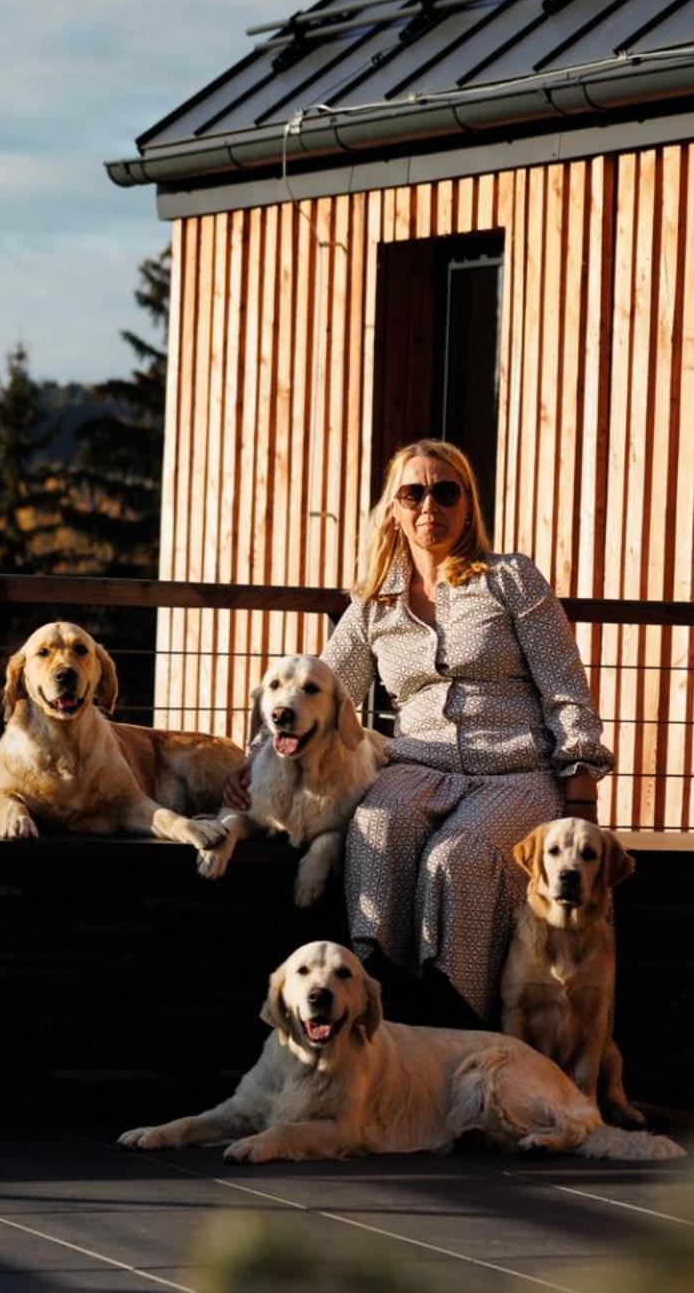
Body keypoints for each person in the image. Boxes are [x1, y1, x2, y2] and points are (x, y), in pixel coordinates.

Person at [226, 438, 612, 1027]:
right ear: (394, 508)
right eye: (413, 492)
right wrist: (257, 762)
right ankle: (380, 1003)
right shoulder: (373, 603)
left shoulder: (510, 579)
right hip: (417, 766)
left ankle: (457, 1016)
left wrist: (580, 785)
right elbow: (321, 694)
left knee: (457, 856)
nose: (429, 505)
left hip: (513, 771)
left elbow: (564, 683)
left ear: (467, 505)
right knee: (378, 824)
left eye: (445, 491)